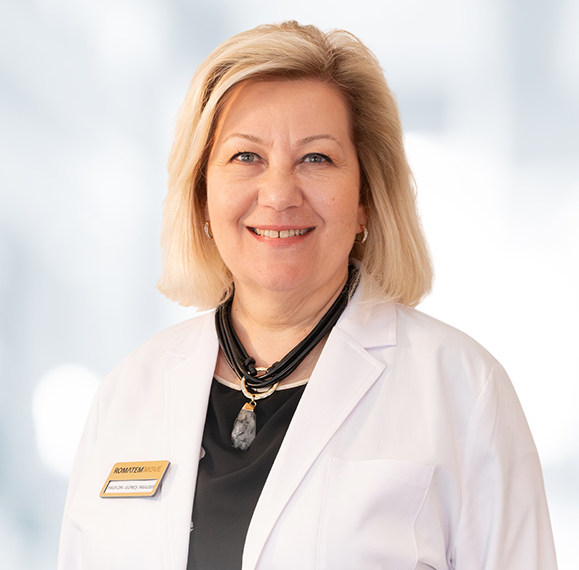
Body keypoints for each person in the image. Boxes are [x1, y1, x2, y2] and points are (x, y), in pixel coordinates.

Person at [58, 21, 558, 570]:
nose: (278, 194)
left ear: (366, 197)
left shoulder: (462, 390)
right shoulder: (128, 393)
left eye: (316, 158)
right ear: (201, 195)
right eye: (245, 157)